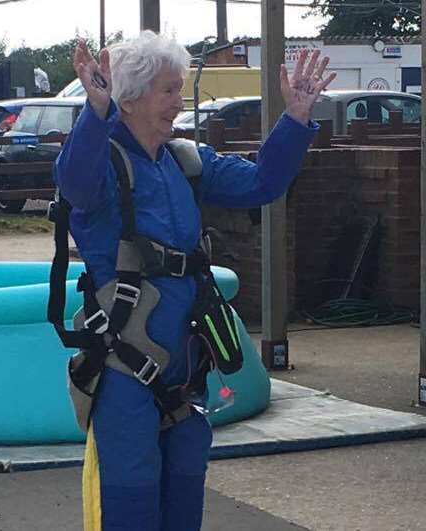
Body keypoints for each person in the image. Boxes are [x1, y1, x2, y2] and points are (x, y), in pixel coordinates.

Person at [54, 31, 335, 531]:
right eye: (168, 91)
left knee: (184, 489)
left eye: (180, 89)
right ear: (132, 98)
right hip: (124, 364)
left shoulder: (185, 163)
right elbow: (73, 183)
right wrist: (95, 112)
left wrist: (295, 120)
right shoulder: (102, 168)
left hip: (185, 367)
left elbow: (261, 184)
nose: (178, 103)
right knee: (131, 497)